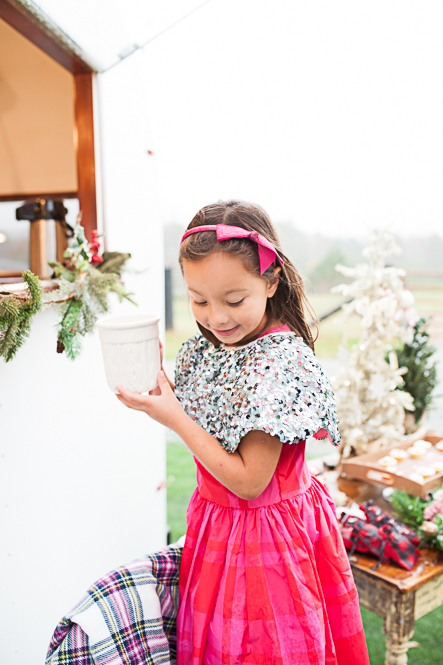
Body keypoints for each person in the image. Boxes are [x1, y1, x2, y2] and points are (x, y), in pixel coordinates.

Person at [116, 201, 370, 665]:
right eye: (198, 300)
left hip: (267, 539)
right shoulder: (210, 347)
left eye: (234, 300)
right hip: (219, 527)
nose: (216, 317)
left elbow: (250, 481)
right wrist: (165, 392)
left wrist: (173, 417)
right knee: (219, 645)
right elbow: (215, 423)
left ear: (271, 282)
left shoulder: (277, 361)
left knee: (264, 650)